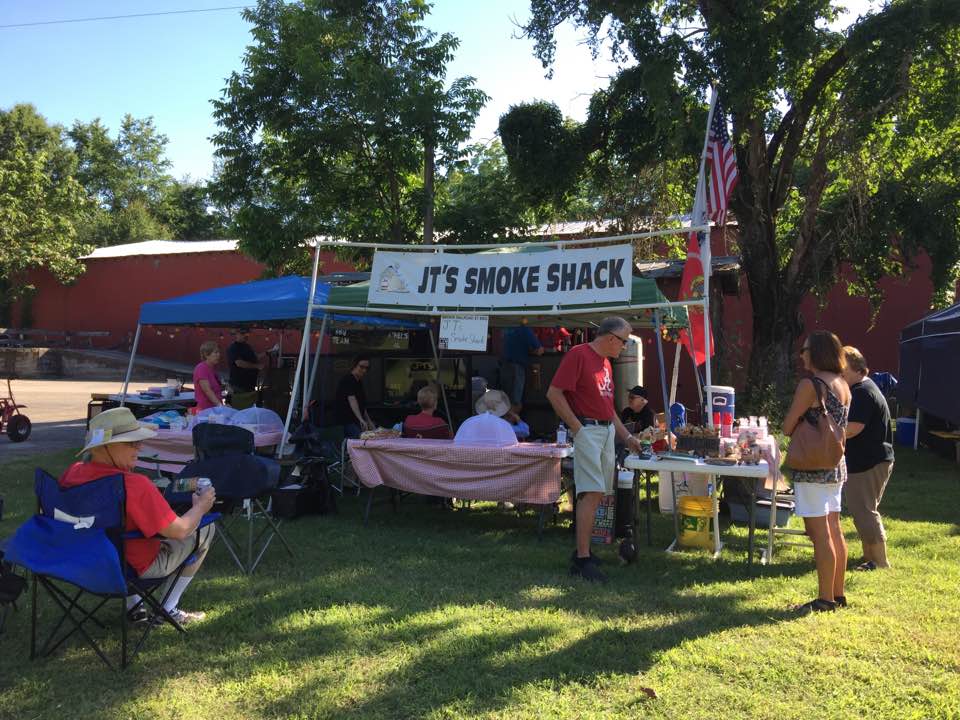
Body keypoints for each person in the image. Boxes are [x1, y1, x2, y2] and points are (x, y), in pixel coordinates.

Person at [61, 407, 216, 625]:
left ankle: (135, 608)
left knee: (121, 535)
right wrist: (201, 507)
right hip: (132, 569)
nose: (139, 447)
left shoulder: (72, 473)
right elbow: (180, 530)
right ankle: (168, 608)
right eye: (131, 443)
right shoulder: (133, 485)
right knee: (205, 528)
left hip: (86, 563)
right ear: (105, 447)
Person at [546, 317, 644, 583]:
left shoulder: (606, 364)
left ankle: (583, 552)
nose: (624, 347)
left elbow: (608, 409)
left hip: (605, 432)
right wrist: (578, 429)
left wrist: (626, 436)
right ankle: (582, 559)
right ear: (611, 337)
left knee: (598, 492)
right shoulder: (579, 354)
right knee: (591, 493)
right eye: (623, 342)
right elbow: (554, 393)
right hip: (588, 430)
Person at [783, 331, 851, 614]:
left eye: (805, 349)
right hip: (835, 462)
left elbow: (787, 426)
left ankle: (824, 599)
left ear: (818, 352)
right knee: (834, 529)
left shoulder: (811, 384)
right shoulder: (842, 384)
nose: (801, 354)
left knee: (819, 533)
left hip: (812, 465)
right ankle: (837, 593)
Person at [841, 346, 895, 570]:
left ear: (855, 368)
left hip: (869, 461)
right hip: (869, 460)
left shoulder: (862, 392)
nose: (839, 375)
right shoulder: (864, 387)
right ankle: (869, 557)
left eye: (842, 370)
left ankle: (880, 561)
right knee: (861, 508)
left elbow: (853, 428)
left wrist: (827, 433)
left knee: (864, 510)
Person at [500, 326, 543, 406]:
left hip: (504, 365)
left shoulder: (506, 327)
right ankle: (514, 416)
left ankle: (505, 416)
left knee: (505, 397)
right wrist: (532, 351)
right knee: (516, 398)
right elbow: (540, 351)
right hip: (517, 366)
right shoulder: (526, 330)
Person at [335, 355, 374, 439]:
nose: (364, 370)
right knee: (361, 439)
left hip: (354, 420)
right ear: (354, 366)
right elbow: (352, 400)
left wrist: (368, 420)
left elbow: (361, 405)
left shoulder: (359, 382)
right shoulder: (348, 380)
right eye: (361, 367)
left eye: (367, 368)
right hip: (346, 421)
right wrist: (361, 419)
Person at [227, 327, 264, 410]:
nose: (246, 335)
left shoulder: (247, 347)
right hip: (239, 385)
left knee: (248, 409)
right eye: (243, 334)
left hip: (249, 386)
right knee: (239, 409)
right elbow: (239, 363)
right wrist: (256, 366)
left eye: (247, 333)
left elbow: (255, 357)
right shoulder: (233, 348)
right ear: (237, 335)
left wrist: (268, 352)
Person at [193, 341, 223, 412]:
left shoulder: (212, 368)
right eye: (215, 352)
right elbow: (207, 390)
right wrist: (220, 406)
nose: (218, 355)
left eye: (219, 352)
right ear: (206, 355)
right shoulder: (201, 368)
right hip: (206, 410)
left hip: (214, 409)